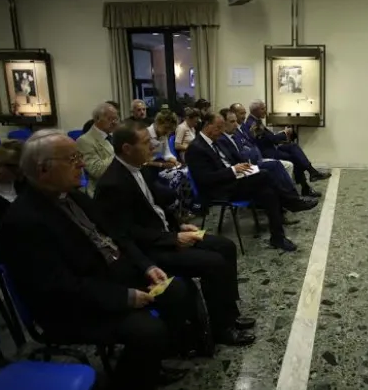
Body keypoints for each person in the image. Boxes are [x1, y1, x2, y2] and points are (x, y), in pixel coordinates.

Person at [0, 129, 199, 390]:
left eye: (79, 156)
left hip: (108, 276)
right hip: (72, 305)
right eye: (72, 159)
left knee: (178, 291)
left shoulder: (74, 196)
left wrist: (146, 266)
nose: (81, 163)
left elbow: (118, 236)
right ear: (43, 169)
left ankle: (149, 365)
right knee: (147, 330)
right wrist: (125, 297)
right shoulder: (23, 222)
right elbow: (59, 287)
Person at [94, 122, 255, 346]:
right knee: (214, 263)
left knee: (226, 246)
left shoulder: (140, 168)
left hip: (166, 235)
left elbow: (157, 207)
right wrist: (173, 238)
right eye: (145, 142)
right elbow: (125, 233)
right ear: (127, 149)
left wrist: (179, 226)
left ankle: (229, 314)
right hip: (151, 249)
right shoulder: (112, 184)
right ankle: (221, 329)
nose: (152, 146)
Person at [185, 112, 318, 252]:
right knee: (265, 175)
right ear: (207, 126)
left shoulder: (216, 141)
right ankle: (293, 202)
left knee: (268, 192)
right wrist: (233, 170)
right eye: (218, 127)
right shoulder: (196, 148)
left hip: (232, 181)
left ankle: (278, 237)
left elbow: (233, 158)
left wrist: (243, 166)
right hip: (218, 190)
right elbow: (204, 179)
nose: (221, 131)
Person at [218, 108, 313, 224]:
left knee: (279, 166)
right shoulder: (224, 139)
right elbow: (239, 157)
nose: (236, 124)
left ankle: (290, 202)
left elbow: (250, 146)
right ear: (223, 123)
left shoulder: (236, 133)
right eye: (232, 121)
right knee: (272, 170)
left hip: (250, 164)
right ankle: (292, 201)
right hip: (240, 175)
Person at [242, 99, 329, 197]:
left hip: (271, 147)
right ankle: (306, 185)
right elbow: (272, 139)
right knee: (295, 158)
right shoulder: (254, 124)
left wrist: (282, 133)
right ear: (255, 110)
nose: (265, 111)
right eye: (263, 109)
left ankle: (311, 171)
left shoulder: (256, 120)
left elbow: (269, 137)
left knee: (293, 146)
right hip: (267, 153)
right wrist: (285, 133)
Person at [229, 102, 294, 177]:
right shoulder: (248, 125)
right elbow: (268, 139)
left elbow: (254, 141)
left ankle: (300, 178)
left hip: (259, 157)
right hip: (257, 158)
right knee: (284, 162)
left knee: (292, 151)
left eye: (244, 113)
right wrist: (284, 133)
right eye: (241, 114)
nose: (244, 116)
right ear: (233, 114)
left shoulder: (244, 126)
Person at [76, 102, 119, 196]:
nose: (115, 122)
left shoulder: (114, 136)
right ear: (97, 119)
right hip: (103, 191)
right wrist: (120, 153)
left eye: (116, 119)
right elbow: (96, 171)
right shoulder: (84, 141)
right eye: (110, 119)